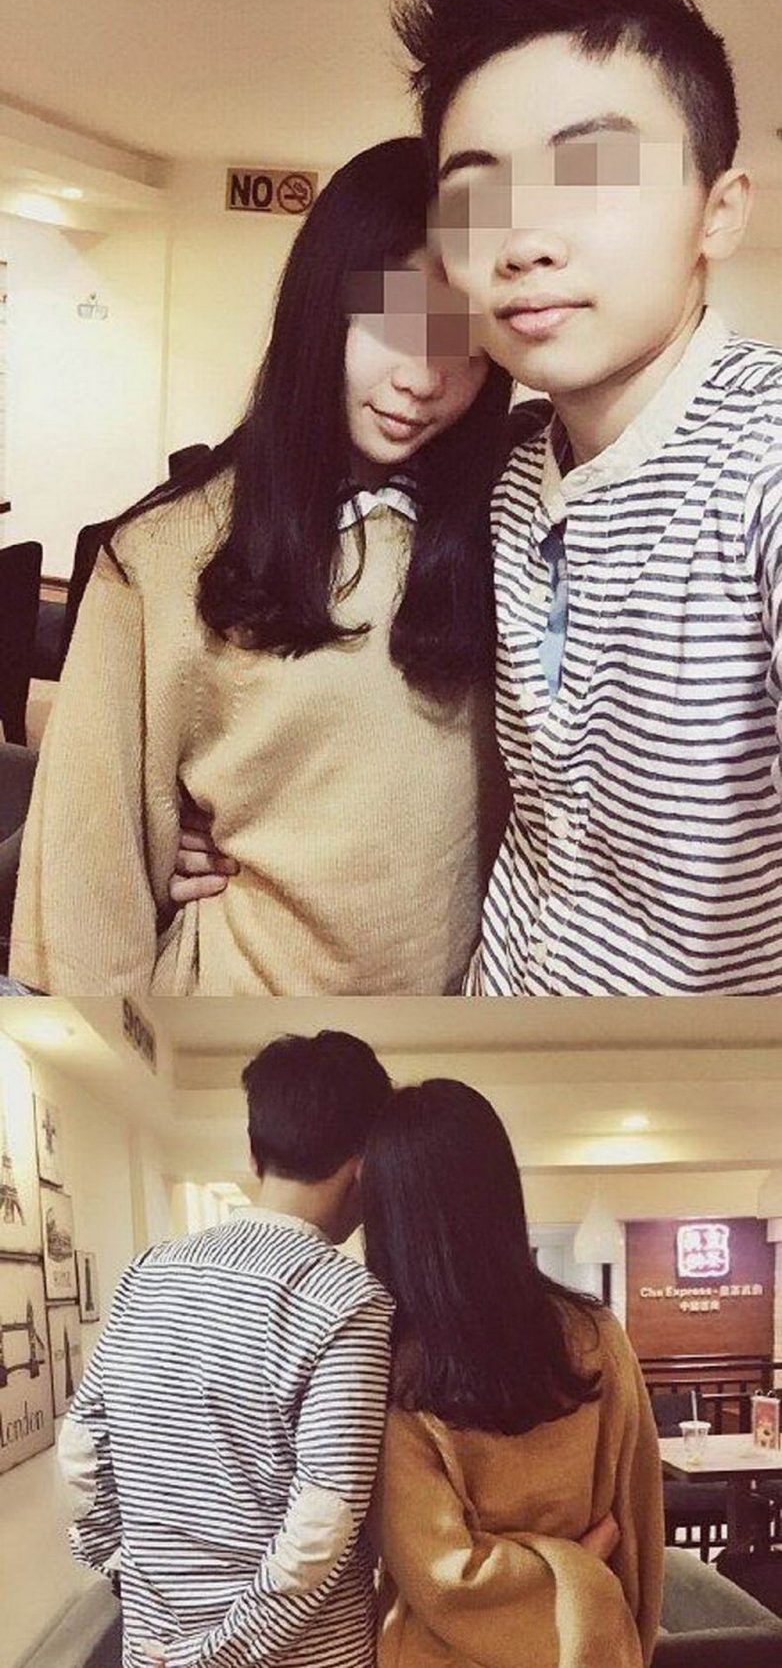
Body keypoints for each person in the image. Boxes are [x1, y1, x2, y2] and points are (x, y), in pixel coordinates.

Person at [9, 136, 518, 997]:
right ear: (322, 307)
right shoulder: (168, 552)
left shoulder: (507, 521)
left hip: (457, 1030)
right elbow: (87, 876)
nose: (424, 377)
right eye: (397, 322)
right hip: (242, 1027)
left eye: (464, 337)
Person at [391, 0, 782, 995]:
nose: (523, 241)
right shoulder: (511, 467)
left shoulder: (763, 465)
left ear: (718, 210)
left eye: (592, 173)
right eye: (474, 195)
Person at [58, 1030, 395, 1668]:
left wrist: (121, 1563)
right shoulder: (348, 1299)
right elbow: (323, 1518)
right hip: (302, 1655)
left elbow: (80, 1450)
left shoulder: (148, 1272)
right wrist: (217, 1656)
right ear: (365, 1165)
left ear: (253, 1153)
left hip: (153, 1644)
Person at [361, 1080, 665, 1668]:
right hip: (590, 1645)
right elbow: (639, 1526)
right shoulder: (597, 1336)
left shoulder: (391, 1366)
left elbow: (445, 1577)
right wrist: (589, 1574)